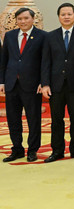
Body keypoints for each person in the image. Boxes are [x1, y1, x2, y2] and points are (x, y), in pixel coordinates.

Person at [40, 2, 74, 162]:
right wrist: (45, 83)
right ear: (59, 17)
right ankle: (57, 151)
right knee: (56, 119)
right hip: (55, 85)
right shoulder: (50, 36)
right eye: (63, 14)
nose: (66, 17)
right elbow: (45, 61)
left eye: (69, 14)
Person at [0, 8, 46, 162]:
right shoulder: (10, 36)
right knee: (13, 119)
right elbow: (4, 60)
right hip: (12, 83)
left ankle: (32, 150)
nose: (23, 21)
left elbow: (45, 62)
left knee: (33, 119)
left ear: (33, 19)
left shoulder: (42, 36)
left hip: (32, 85)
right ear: (16, 21)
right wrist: (2, 81)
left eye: (26, 18)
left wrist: (43, 82)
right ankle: (17, 149)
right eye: (19, 19)